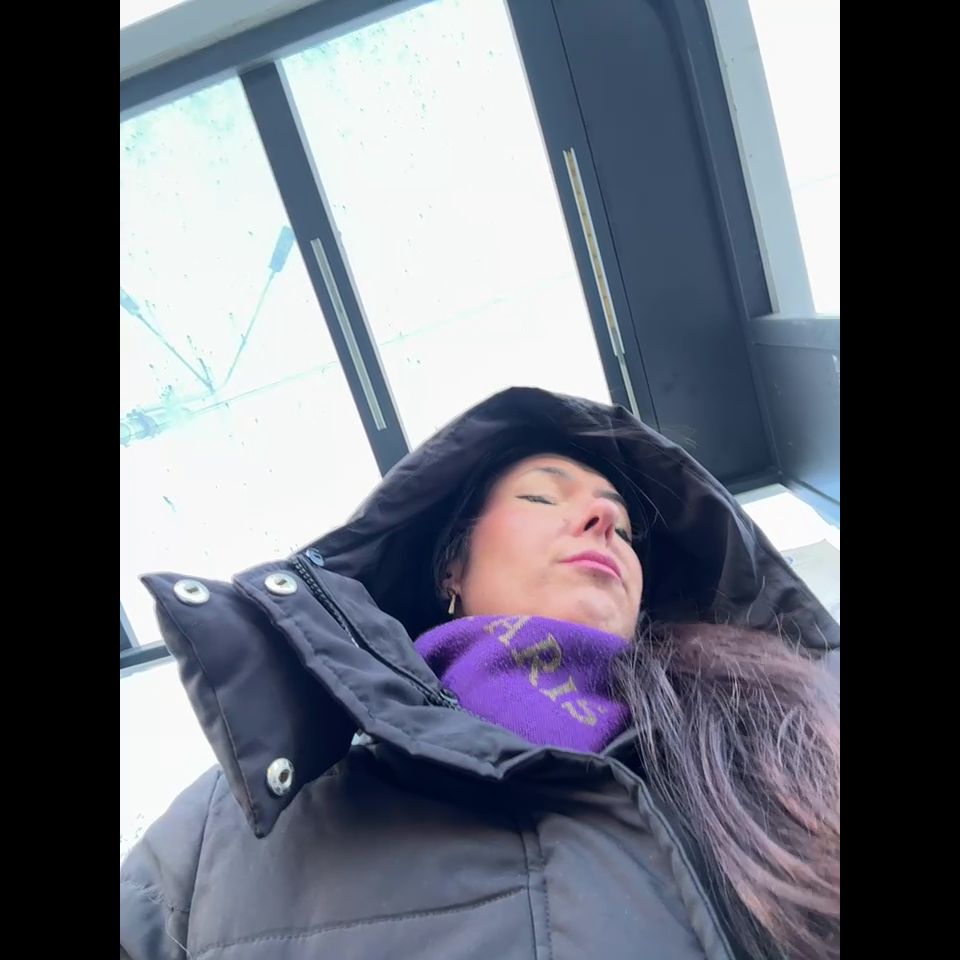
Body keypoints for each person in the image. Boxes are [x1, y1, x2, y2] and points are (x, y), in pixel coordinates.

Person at [120, 387, 839, 960]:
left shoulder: (788, 732)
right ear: (451, 569)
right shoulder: (237, 815)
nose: (600, 520)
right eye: (541, 497)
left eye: (622, 527)